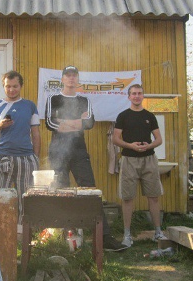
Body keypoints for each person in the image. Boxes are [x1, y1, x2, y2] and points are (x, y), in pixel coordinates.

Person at [45, 65, 126, 251]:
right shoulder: (53, 99)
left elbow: (89, 123)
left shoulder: (84, 100)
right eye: (68, 75)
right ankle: (62, 237)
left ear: (78, 79)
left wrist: (64, 122)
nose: (71, 78)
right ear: (62, 79)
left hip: (79, 151)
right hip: (58, 152)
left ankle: (104, 237)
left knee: (90, 191)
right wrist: (76, 122)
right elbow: (50, 123)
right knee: (60, 192)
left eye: (74, 75)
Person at [112, 84, 167, 247]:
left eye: (139, 93)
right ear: (129, 97)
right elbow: (115, 139)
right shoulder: (123, 116)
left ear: (143, 96)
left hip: (149, 160)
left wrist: (148, 146)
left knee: (154, 196)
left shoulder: (150, 116)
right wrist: (131, 146)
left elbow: (158, 139)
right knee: (127, 198)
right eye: (134, 93)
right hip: (129, 160)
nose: (137, 96)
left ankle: (158, 232)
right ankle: (127, 235)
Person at [0, 71, 40, 223]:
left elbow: (36, 133)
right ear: (3, 87)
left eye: (15, 86)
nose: (11, 90)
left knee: (27, 199)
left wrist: (35, 158)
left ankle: (23, 232)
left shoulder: (30, 106)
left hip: (26, 158)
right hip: (0, 156)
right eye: (8, 86)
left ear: (21, 86)